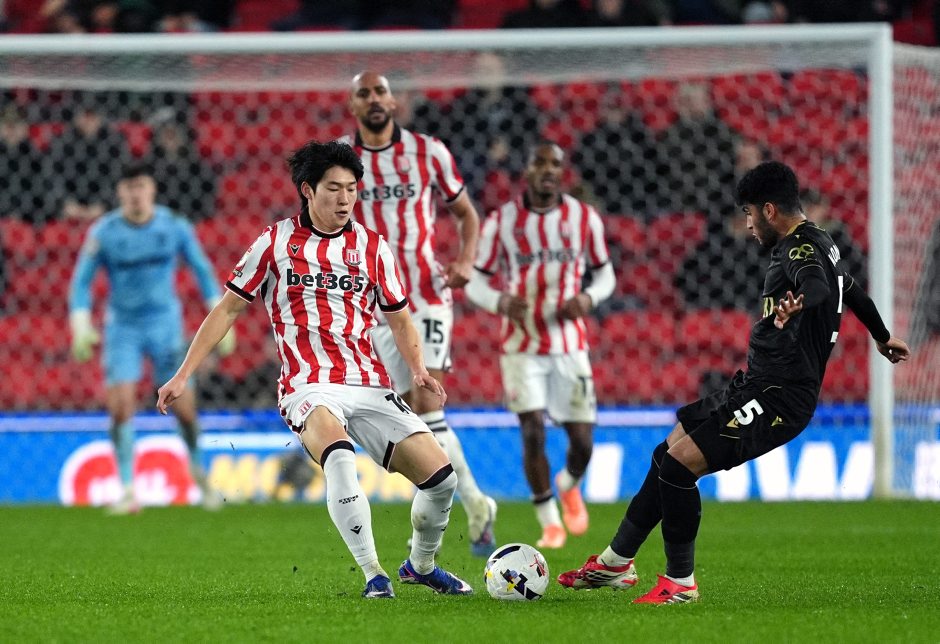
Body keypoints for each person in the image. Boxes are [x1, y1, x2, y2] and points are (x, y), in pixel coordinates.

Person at [558, 161, 911, 603]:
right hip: (757, 384)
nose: (747, 224)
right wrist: (881, 335)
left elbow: (820, 287)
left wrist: (798, 303)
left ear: (769, 210)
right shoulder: (823, 240)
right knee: (666, 454)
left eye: (748, 213)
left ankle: (680, 583)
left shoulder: (798, 249)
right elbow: (851, 288)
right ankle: (615, 562)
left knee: (679, 466)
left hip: (781, 395)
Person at [156, 140, 474, 599]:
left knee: (443, 482)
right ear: (308, 190)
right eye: (334, 189)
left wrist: (418, 369)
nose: (346, 199)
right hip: (307, 384)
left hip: (369, 383)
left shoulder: (372, 247)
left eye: (352, 189)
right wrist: (183, 374)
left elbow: (400, 317)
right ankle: (374, 575)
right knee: (339, 456)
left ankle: (420, 566)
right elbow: (227, 309)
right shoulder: (274, 242)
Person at [346, 71, 498, 556]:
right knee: (404, 416)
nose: (374, 99)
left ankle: (439, 528)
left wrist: (466, 260)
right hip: (374, 304)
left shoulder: (428, 152)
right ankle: (476, 505)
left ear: (394, 101)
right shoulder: (341, 160)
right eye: (364, 93)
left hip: (426, 293)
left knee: (427, 400)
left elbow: (467, 214)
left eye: (381, 91)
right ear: (353, 105)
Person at [465, 142, 616, 549]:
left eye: (555, 164)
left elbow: (606, 275)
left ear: (562, 173)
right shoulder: (503, 221)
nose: (548, 170)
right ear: (528, 170)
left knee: (582, 442)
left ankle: (568, 484)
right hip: (521, 345)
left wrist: (588, 298)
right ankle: (550, 522)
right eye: (540, 162)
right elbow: (476, 281)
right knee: (532, 430)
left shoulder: (582, 218)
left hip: (570, 345)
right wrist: (499, 302)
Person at [68, 163, 235, 514]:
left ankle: (198, 472)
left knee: (184, 409)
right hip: (122, 327)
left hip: (165, 326)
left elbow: (202, 270)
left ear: (152, 189)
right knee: (120, 406)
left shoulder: (173, 226)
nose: (135, 194)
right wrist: (81, 325)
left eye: (141, 186)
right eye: (129, 187)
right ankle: (128, 489)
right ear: (120, 192)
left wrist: (219, 316)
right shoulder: (105, 232)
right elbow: (81, 282)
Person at [48, 92, 130, 221]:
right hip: (68, 205)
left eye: (93, 116)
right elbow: (53, 175)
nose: (88, 121)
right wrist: (66, 203)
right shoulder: (62, 141)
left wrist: (103, 206)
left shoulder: (114, 142)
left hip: (104, 205)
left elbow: (119, 176)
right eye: (85, 116)